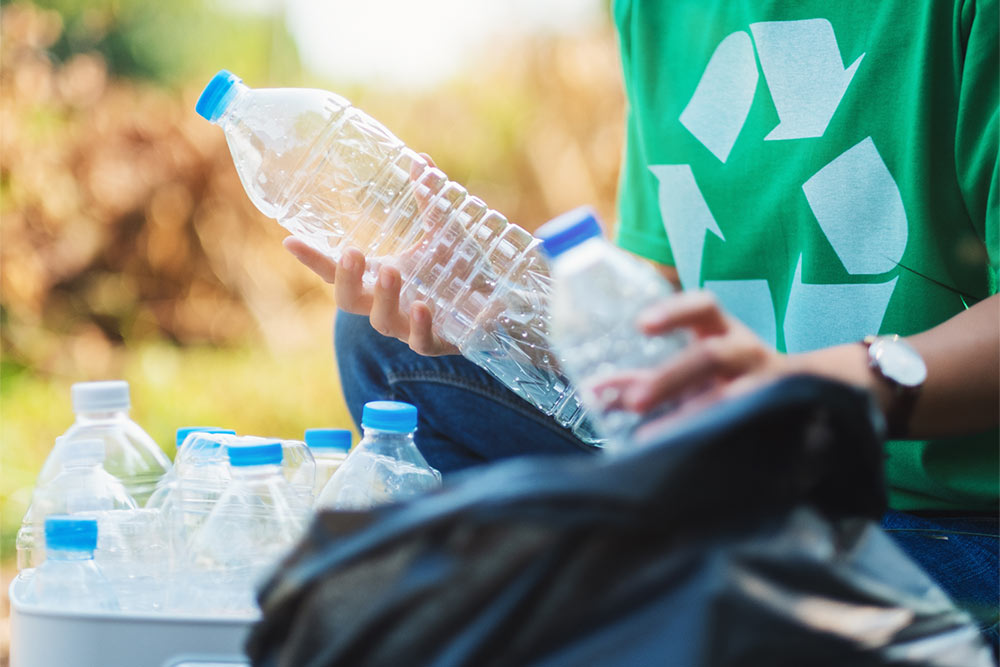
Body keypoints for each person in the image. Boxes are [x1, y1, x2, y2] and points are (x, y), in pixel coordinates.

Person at [285, 0, 998, 648]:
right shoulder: (657, 12)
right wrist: (517, 314)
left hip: (944, 517)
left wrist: (806, 387)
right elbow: (667, 288)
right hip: (735, 480)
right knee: (389, 346)